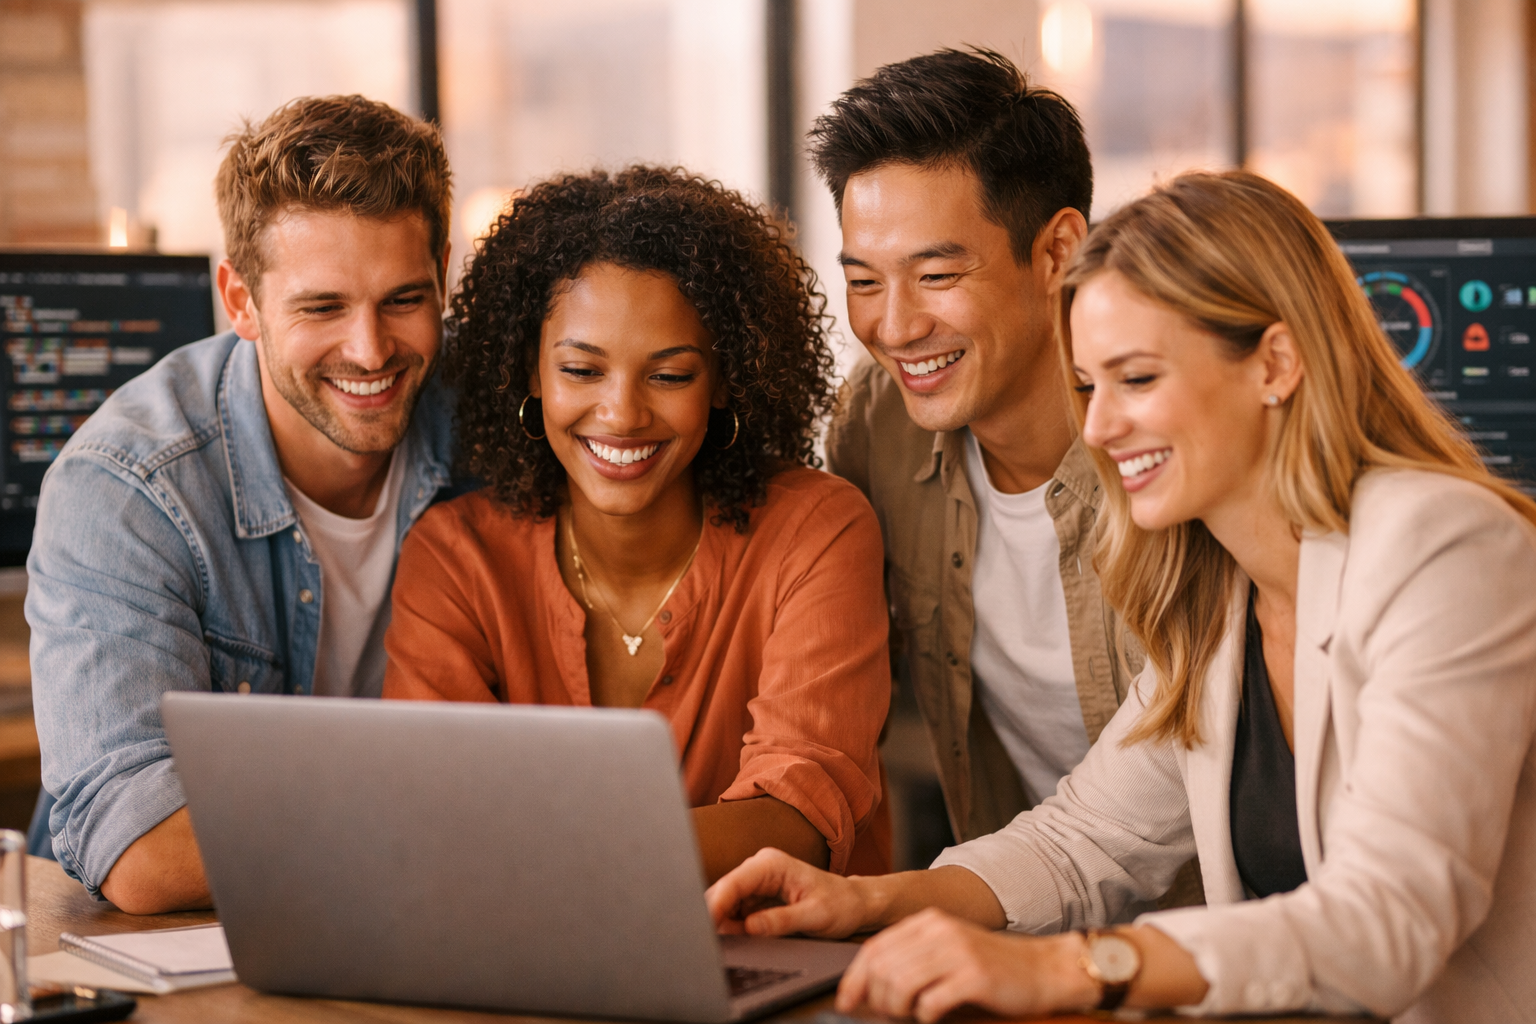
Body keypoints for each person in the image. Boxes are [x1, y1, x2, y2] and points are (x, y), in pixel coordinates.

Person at [705, 170, 1536, 1023]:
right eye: (1089, 387)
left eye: (1136, 381)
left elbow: (1388, 921)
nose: (1098, 429)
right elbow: (1085, 840)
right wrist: (869, 904)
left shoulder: (1443, 546)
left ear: (1276, 365)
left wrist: (1074, 969)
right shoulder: (1216, 589)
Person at [382, 166, 891, 881]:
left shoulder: (817, 532)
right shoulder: (457, 555)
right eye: (582, 371)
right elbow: (431, 811)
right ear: (529, 372)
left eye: (671, 375)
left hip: (791, 970)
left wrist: (535, 853)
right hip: (537, 967)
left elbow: (797, 821)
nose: (622, 413)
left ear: (724, 380)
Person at [27, 95, 456, 914]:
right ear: (240, 300)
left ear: (445, 268)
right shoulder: (125, 487)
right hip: (157, 943)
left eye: (404, 299)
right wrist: (458, 821)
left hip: (401, 909)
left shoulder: (490, 427)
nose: (371, 350)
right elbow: (142, 852)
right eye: (322, 307)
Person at [818, 48, 1161, 861]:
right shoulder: (877, 425)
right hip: (1017, 923)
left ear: (1057, 252)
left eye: (936, 274)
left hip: (1221, 935)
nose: (894, 328)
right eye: (864, 282)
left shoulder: (1166, 434)